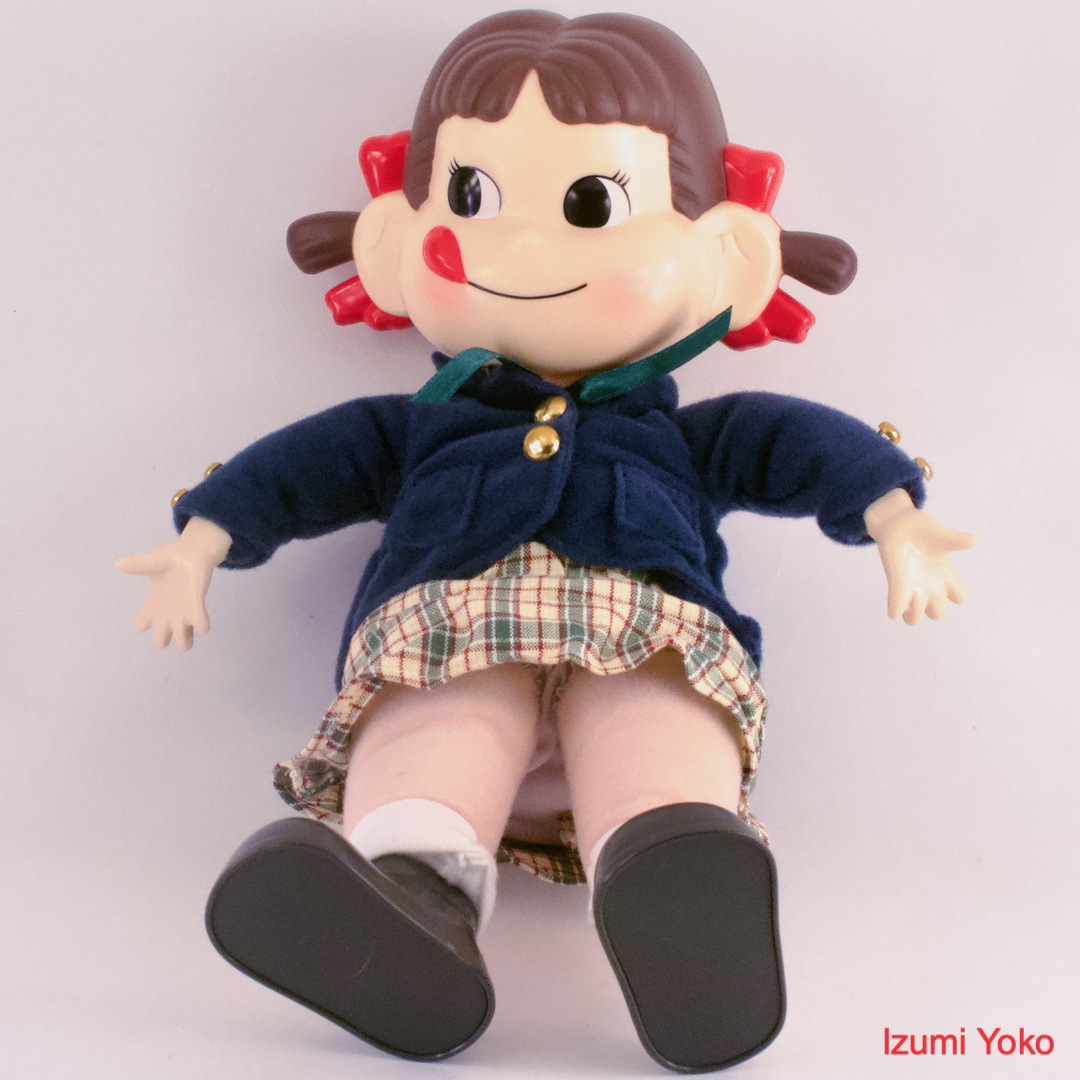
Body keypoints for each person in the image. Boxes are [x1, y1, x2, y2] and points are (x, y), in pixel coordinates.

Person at [117, 11, 975, 1072]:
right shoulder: (419, 428)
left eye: (590, 207)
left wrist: (891, 511)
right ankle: (409, 899)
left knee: (655, 723)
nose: (525, 252)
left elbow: (793, 446)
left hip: (647, 631)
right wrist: (208, 536)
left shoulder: (684, 436)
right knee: (443, 723)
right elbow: (306, 469)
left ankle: (676, 885)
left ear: (725, 256)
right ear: (394, 235)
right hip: (449, 634)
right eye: (473, 198)